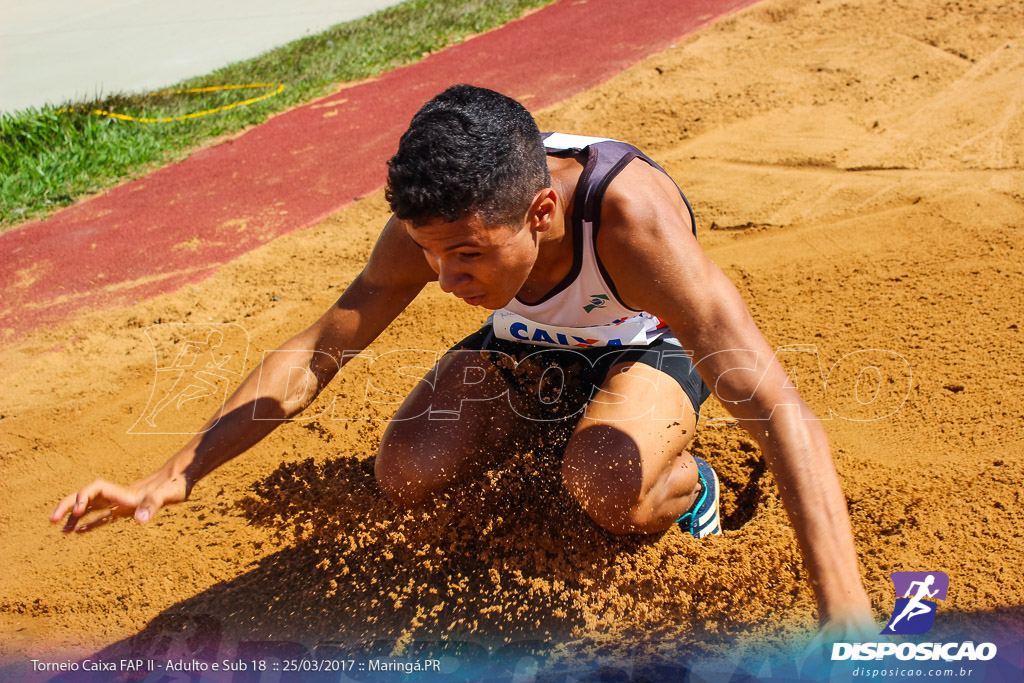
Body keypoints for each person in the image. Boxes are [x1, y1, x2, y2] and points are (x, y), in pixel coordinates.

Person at [51, 84, 873, 637]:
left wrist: (847, 619)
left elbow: (777, 406)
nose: (444, 281)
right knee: (407, 469)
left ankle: (690, 489)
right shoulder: (443, 221)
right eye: (429, 253)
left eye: (468, 257)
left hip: (640, 351)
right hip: (524, 357)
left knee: (607, 480)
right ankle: (566, 432)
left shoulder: (630, 222)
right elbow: (316, 349)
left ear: (542, 212)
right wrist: (179, 470)